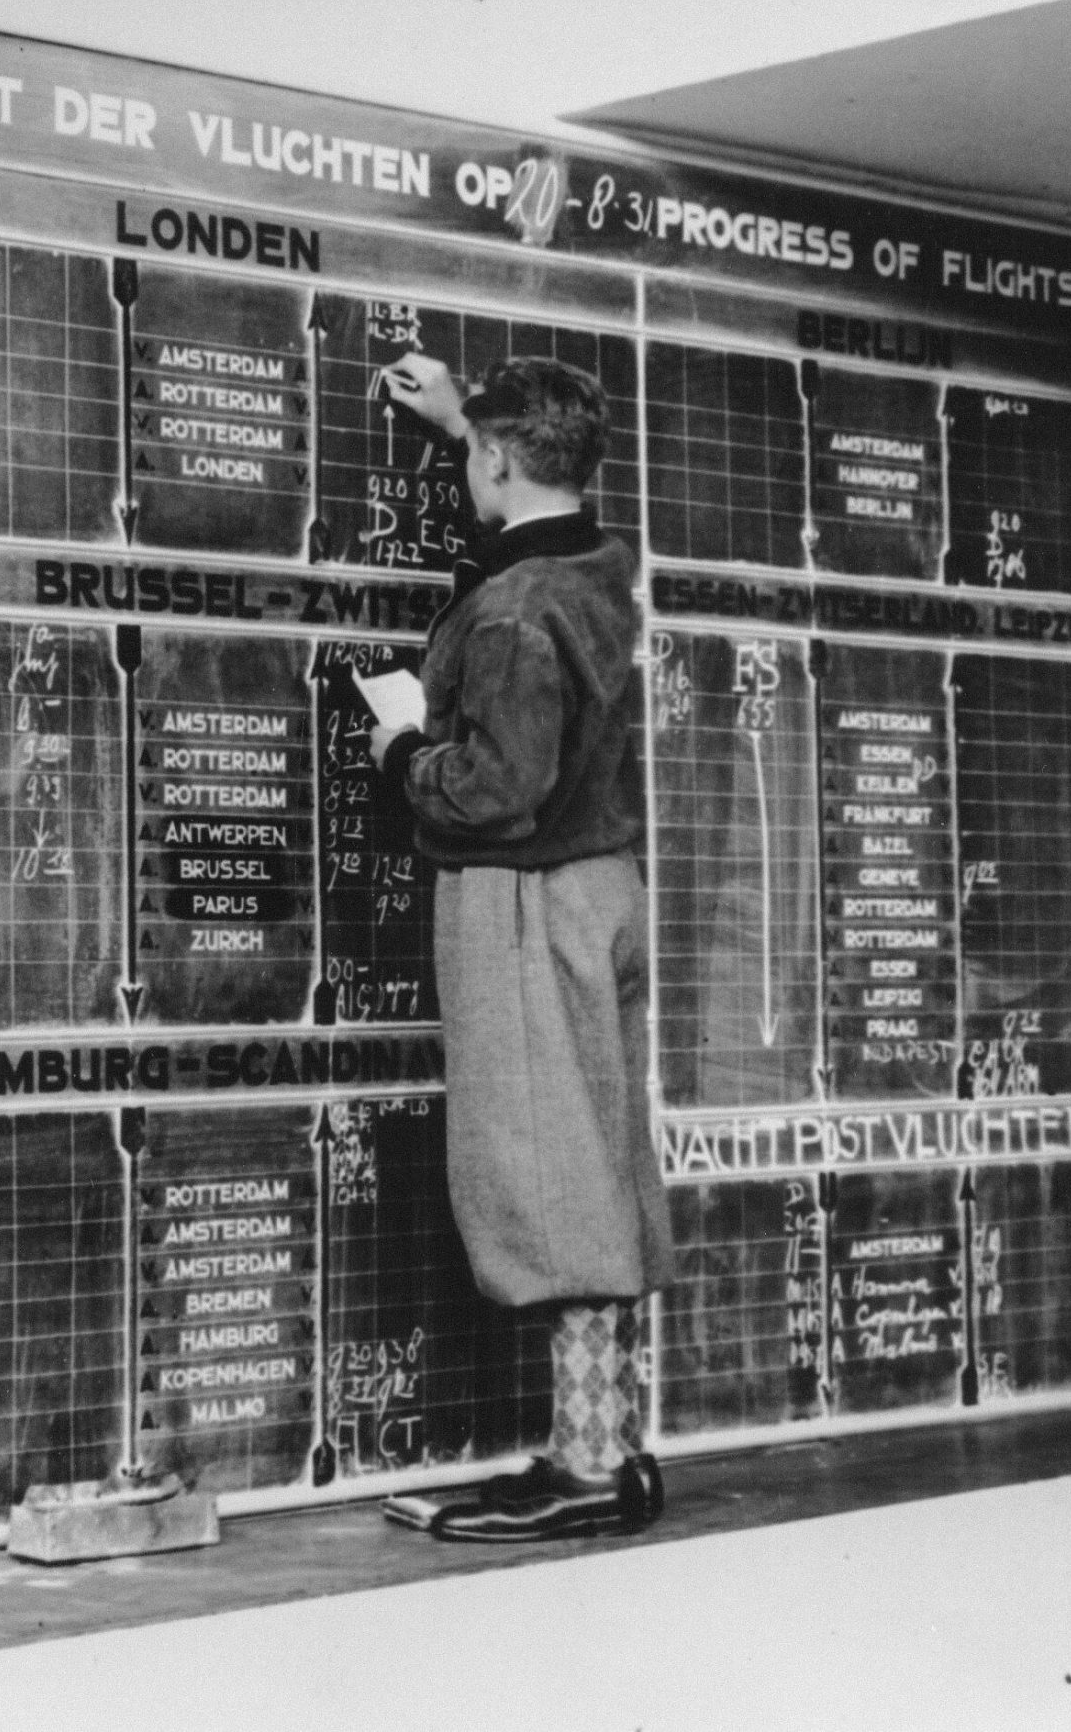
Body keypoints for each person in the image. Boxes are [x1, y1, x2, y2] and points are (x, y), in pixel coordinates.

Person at [366, 352, 678, 1543]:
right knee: (592, 1161)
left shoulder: (513, 613)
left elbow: (493, 790)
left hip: (523, 894)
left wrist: (402, 747)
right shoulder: (600, 569)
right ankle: (600, 1444)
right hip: (600, 886)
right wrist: (466, 421)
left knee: (548, 1180)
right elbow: (533, 528)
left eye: (475, 454)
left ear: (499, 460)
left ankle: (589, 1466)